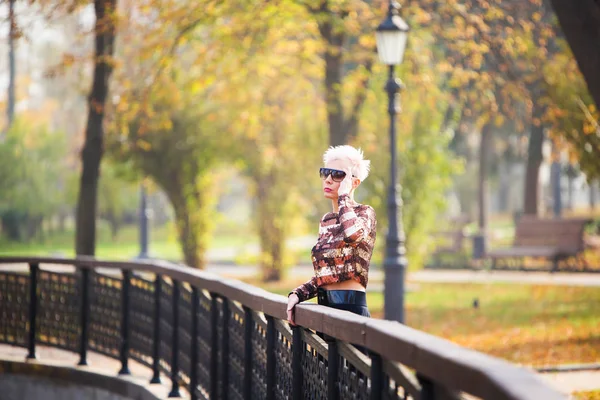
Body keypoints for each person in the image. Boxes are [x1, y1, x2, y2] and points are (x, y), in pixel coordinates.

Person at [287, 145, 376, 326]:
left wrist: (344, 196)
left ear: (354, 182)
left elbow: (353, 235)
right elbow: (327, 273)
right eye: (326, 172)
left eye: (337, 175)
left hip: (351, 311)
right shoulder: (326, 220)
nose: (328, 180)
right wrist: (298, 294)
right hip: (325, 312)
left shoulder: (365, 213)